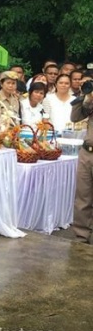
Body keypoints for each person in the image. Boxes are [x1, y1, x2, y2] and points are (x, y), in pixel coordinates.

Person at [70, 76, 93, 243]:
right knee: (83, 197)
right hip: (87, 152)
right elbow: (75, 117)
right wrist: (84, 96)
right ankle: (81, 236)